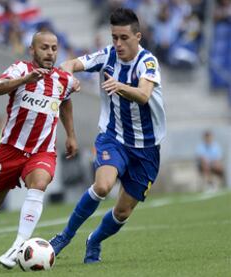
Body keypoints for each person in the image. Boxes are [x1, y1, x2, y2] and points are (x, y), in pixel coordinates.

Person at [49, 7, 166, 264]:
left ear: (138, 37)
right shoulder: (107, 56)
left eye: (124, 37)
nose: (118, 43)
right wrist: (68, 77)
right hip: (113, 137)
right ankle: (64, 237)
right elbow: (70, 63)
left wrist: (120, 86)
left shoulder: (148, 62)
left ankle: (94, 241)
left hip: (146, 148)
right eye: (114, 37)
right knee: (102, 185)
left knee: (122, 212)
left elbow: (144, 95)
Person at [0, 30, 80, 269]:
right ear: (32, 50)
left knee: (39, 185)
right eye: (44, 48)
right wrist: (24, 81)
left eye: (54, 48)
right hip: (10, 150)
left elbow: (66, 102)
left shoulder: (63, 79)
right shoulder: (19, 69)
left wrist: (71, 135)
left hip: (42, 151)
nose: (50, 53)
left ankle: (19, 244)